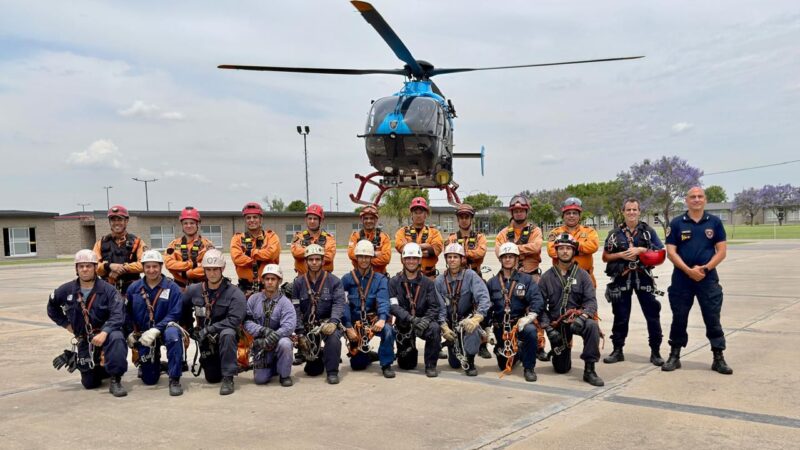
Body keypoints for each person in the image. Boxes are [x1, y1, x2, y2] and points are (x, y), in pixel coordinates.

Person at [662, 186, 732, 375]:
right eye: (692, 196)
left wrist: (704, 268)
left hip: (707, 278)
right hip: (681, 279)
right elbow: (671, 251)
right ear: (686, 200)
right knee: (679, 317)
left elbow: (722, 251)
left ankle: (718, 357)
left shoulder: (715, 223)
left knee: (712, 317)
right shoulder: (676, 223)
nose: (696, 199)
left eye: (700, 196)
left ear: (705, 200)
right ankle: (674, 356)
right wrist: (687, 270)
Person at [48, 249, 128, 397]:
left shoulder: (108, 290)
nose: (85, 269)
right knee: (89, 383)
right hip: (85, 338)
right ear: (76, 269)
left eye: (88, 266)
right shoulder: (66, 290)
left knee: (117, 337)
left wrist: (105, 333)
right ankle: (100, 368)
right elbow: (52, 307)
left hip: (106, 335)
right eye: (81, 266)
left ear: (95, 268)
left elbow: (118, 314)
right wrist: (66, 325)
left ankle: (116, 379)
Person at [602, 198, 666, 366]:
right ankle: (617, 350)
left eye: (634, 209)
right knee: (621, 316)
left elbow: (660, 251)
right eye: (628, 210)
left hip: (643, 277)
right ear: (623, 212)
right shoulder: (614, 234)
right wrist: (621, 255)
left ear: (639, 212)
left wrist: (642, 250)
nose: (631, 212)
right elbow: (605, 256)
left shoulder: (648, 231)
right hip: (622, 278)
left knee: (652, 314)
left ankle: (656, 352)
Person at [539, 234, 604, 386]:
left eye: (568, 248)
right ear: (556, 251)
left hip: (577, 320)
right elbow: (539, 307)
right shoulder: (547, 277)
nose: (565, 252)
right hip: (557, 324)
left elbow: (591, 302)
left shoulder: (583, 276)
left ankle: (590, 370)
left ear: (574, 251)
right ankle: (557, 353)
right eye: (561, 248)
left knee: (592, 326)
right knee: (562, 368)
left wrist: (583, 317)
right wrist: (548, 328)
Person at [185, 249, 247, 395]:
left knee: (228, 333)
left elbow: (234, 320)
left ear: (222, 269)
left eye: (215, 270)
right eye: (208, 269)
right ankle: (215, 364)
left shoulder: (234, 293)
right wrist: (189, 328)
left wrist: (210, 329)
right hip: (206, 340)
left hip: (225, 335)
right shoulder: (193, 290)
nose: (212, 273)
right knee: (212, 378)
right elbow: (182, 310)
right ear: (204, 270)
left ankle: (228, 377)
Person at [125, 250, 185, 396]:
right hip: (144, 334)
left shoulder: (173, 288)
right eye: (148, 267)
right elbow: (127, 312)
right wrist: (130, 332)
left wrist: (157, 329)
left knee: (173, 335)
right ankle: (154, 362)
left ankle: (175, 378)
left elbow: (175, 313)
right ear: (143, 268)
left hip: (165, 329)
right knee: (149, 380)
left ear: (161, 267)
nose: (151, 270)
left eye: (155, 266)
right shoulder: (134, 288)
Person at [495, 195, 547, 361]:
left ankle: (539, 346)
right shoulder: (504, 232)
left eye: (521, 210)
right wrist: (524, 249)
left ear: (526, 211)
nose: (518, 213)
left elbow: (537, 246)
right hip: (511, 279)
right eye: (515, 211)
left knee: (536, 311)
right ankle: (513, 343)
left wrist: (512, 248)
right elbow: (498, 251)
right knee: (511, 311)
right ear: (512, 212)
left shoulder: (535, 230)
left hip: (532, 277)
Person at [486, 243, 544, 382]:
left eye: (511, 257)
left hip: (519, 324)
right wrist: (488, 329)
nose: (507, 259)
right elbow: (487, 306)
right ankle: (517, 351)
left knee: (531, 331)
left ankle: (529, 368)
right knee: (504, 366)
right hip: (501, 328)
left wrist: (530, 317)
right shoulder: (492, 282)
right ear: (500, 259)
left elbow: (537, 299)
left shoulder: (526, 280)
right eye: (504, 257)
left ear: (516, 259)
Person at [292, 244, 346, 384]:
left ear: (323, 261)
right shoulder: (298, 283)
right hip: (309, 327)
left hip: (328, 323)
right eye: (311, 259)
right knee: (312, 371)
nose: (314, 262)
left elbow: (339, 303)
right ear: (306, 262)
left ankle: (332, 371)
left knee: (333, 339)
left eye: (317, 259)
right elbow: (295, 309)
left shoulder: (334, 281)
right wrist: (300, 332)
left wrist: (334, 322)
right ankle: (320, 355)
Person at [341, 240, 396, 378]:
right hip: (356, 324)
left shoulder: (380, 279)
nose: (364, 260)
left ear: (371, 258)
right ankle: (368, 355)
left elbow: (383, 300)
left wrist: (383, 319)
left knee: (388, 330)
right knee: (357, 365)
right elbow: (343, 304)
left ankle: (386, 363)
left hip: (373, 320)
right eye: (361, 256)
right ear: (356, 258)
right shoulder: (346, 279)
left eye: (367, 257)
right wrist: (348, 326)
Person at [434, 243, 490, 376]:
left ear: (462, 259)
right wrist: (443, 326)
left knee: (473, 329)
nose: (452, 260)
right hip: (450, 324)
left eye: (455, 257)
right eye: (449, 257)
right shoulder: (439, 281)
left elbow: (484, 297)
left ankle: (470, 361)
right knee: (454, 364)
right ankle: (453, 347)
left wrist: (477, 318)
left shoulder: (470, 276)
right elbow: (438, 306)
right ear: (446, 259)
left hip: (466, 321)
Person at [389, 243, 442, 377]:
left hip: (423, 323)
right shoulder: (394, 282)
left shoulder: (428, 283)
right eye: (408, 258)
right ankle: (408, 353)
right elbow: (393, 306)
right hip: (405, 323)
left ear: (419, 260)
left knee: (435, 328)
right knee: (407, 365)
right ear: (403, 260)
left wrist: (425, 320)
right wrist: (411, 319)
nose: (411, 261)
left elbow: (434, 306)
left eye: (414, 258)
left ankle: (430, 365)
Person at [243, 264, 297, 387]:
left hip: (279, 341)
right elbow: (247, 322)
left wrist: (274, 336)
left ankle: (284, 375)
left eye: (273, 279)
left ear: (279, 281)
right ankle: (273, 366)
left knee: (285, 343)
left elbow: (289, 326)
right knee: (260, 380)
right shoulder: (253, 299)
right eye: (267, 279)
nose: (270, 282)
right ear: (263, 281)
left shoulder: (285, 303)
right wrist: (263, 331)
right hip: (261, 343)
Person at [547, 197, 600, 286]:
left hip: (585, 279)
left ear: (579, 216)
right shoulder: (555, 232)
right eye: (568, 213)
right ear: (563, 216)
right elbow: (552, 252)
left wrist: (568, 249)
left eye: (575, 213)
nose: (571, 216)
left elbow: (593, 247)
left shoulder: (589, 231)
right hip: (561, 279)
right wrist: (581, 251)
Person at [230, 202, 280, 296]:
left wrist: (249, 253)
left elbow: (271, 254)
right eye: (248, 217)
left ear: (261, 219)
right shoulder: (237, 238)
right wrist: (261, 256)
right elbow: (237, 258)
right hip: (245, 290)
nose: (252, 220)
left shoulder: (271, 236)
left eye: (255, 217)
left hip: (268, 288)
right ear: (245, 220)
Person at [93, 205, 143, 294]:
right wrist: (109, 266)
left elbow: (143, 265)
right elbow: (94, 267)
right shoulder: (100, 243)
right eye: (113, 220)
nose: (116, 223)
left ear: (126, 221)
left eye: (119, 219)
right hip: (107, 290)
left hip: (133, 289)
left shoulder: (137, 242)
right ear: (109, 222)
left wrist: (123, 268)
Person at [164, 206, 214, 289]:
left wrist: (186, 273)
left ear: (197, 224)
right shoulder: (173, 244)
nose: (189, 226)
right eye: (185, 223)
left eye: (192, 223)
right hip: (179, 288)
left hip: (201, 288)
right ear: (182, 225)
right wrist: (193, 264)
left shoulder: (207, 245)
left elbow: (209, 267)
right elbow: (169, 264)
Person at [394, 197, 444, 279]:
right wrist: (427, 246)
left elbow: (436, 251)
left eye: (421, 212)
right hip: (408, 277)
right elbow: (401, 248)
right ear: (411, 215)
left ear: (425, 214)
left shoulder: (435, 232)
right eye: (415, 212)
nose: (418, 215)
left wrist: (410, 248)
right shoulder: (402, 232)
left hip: (429, 277)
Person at [291, 204, 336, 275]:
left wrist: (307, 251)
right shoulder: (299, 237)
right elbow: (296, 253)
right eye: (310, 218)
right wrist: (319, 251)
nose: (312, 221)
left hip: (324, 279)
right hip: (302, 279)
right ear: (306, 220)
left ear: (320, 220)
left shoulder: (329, 238)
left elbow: (329, 257)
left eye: (315, 218)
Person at [347, 205, 392, 274]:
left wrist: (362, 259)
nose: (369, 221)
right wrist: (376, 254)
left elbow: (386, 258)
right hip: (359, 276)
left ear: (376, 220)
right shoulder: (355, 236)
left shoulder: (384, 237)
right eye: (366, 218)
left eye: (371, 218)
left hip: (379, 276)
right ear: (362, 220)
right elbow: (351, 254)